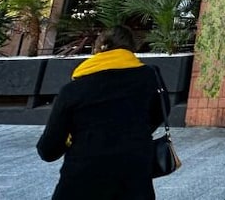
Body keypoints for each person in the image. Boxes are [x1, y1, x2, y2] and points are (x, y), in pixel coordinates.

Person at [37, 26, 166, 200]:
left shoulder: (72, 89)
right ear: (132, 49)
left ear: (97, 49)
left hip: (82, 178)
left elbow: (48, 149)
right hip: (134, 177)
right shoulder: (150, 77)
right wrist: (135, 133)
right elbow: (162, 111)